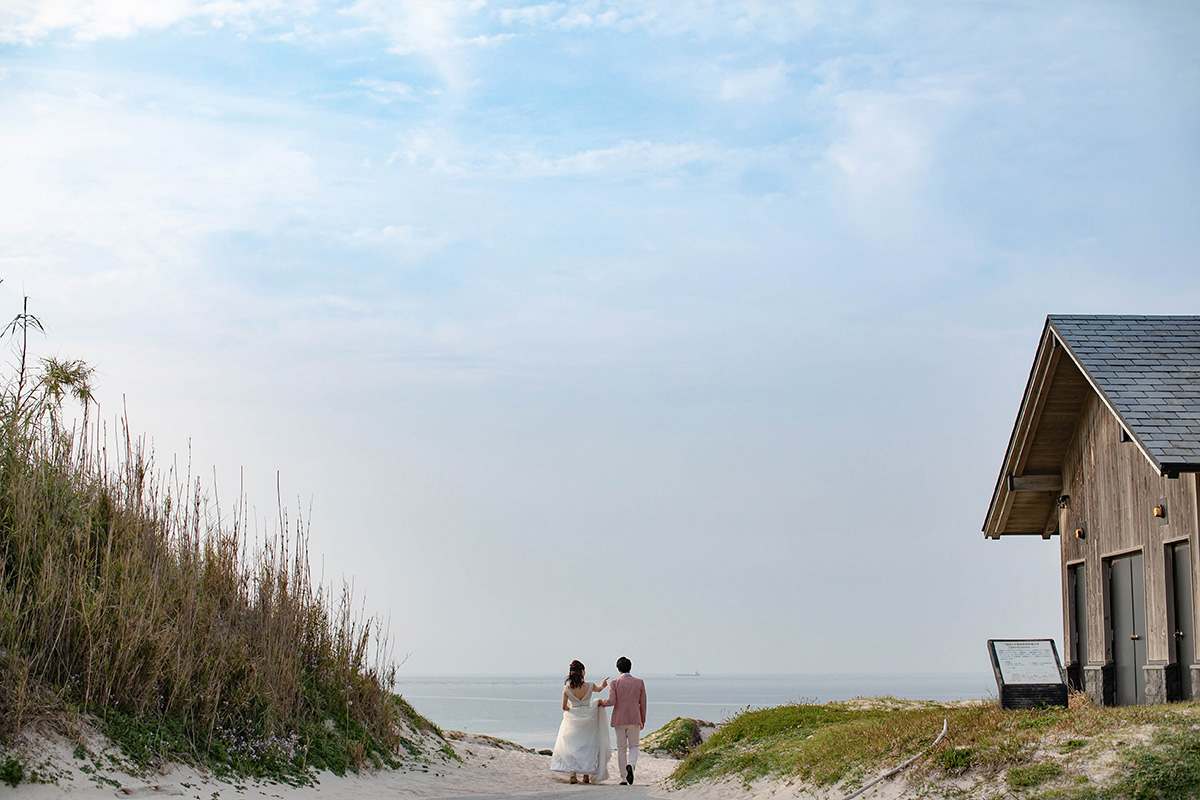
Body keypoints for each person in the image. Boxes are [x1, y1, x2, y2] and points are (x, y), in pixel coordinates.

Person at [550, 660, 611, 784]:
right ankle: (586, 774)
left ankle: (573, 773)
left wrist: (573, 710)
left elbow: (563, 707)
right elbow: (598, 690)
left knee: (572, 746)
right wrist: (603, 685)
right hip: (589, 716)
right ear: (582, 672)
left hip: (573, 717)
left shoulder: (567, 688)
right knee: (587, 745)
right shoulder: (589, 685)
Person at [598, 656, 646, 786]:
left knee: (621, 749)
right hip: (635, 718)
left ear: (618, 668)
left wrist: (600, 703)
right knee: (634, 746)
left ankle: (623, 778)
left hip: (619, 719)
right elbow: (643, 703)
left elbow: (612, 701)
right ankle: (631, 765)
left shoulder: (614, 683)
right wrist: (643, 720)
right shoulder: (639, 682)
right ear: (630, 668)